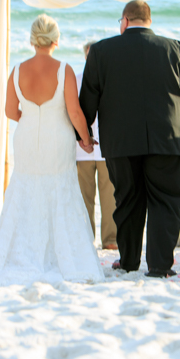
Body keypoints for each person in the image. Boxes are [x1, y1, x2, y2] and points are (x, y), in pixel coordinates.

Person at [0, 14, 102, 285]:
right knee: (60, 189)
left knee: (26, 189)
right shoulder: (64, 69)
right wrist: (86, 140)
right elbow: (75, 112)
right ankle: (60, 255)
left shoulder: (17, 70)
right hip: (58, 139)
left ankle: (24, 254)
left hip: (27, 138)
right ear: (56, 38)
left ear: (33, 39)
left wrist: (30, 119)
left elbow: (10, 111)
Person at [80, 0, 180, 278]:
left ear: (125, 21)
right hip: (168, 140)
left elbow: (89, 96)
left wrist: (84, 133)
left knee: (127, 199)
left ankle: (128, 260)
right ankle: (160, 265)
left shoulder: (101, 51)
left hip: (121, 141)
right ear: (149, 20)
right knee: (167, 199)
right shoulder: (178, 49)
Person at [75, 40, 117, 250]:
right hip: (81, 149)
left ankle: (110, 239)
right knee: (84, 197)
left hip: (106, 147)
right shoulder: (75, 80)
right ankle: (85, 239)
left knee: (109, 196)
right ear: (85, 57)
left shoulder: (111, 78)